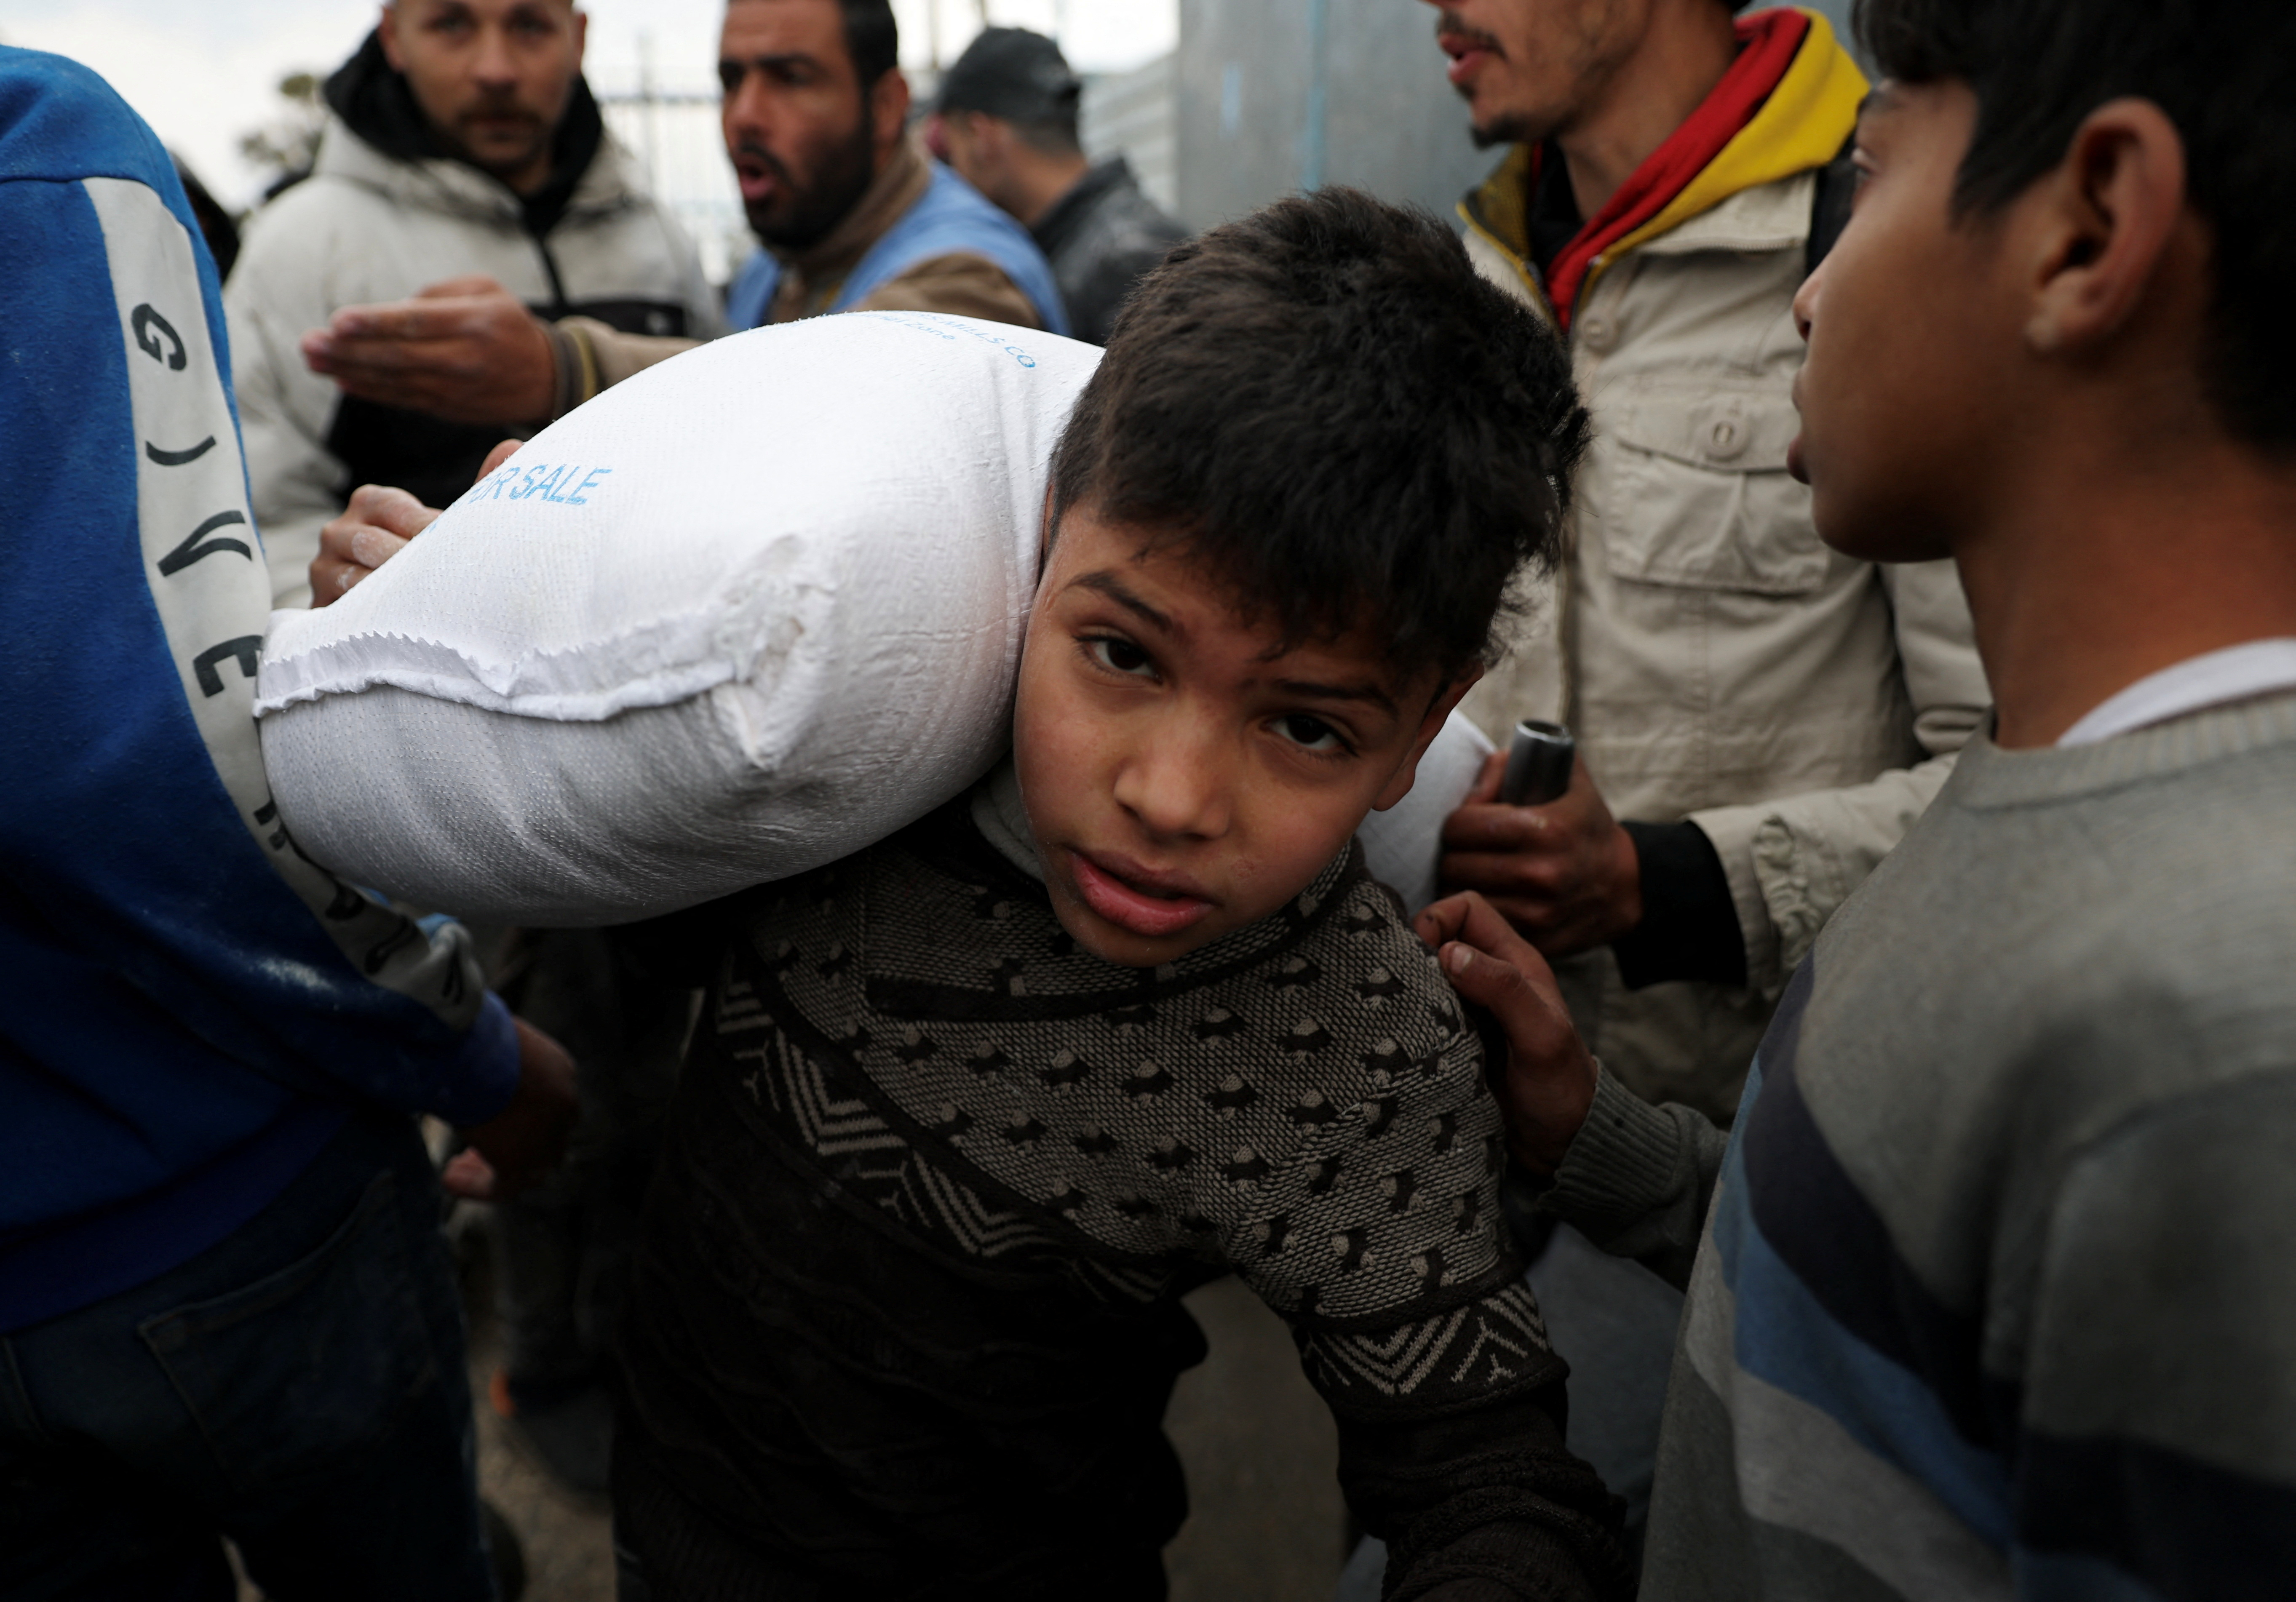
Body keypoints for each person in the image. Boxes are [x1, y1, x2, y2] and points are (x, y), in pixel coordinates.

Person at [607, 190, 1630, 1600]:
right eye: (1124, 655)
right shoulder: (832, 737)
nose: (1170, 796)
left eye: (1308, 727)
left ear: (1421, 729)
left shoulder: (1335, 1040)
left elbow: (1491, 1486)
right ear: (1040, 540)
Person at [1436, 0, 2296, 1593]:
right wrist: (1600, 1141)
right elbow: (1863, 1282)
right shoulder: (2011, 848)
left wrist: (1659, 880)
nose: (1811, 290)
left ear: (2087, 226)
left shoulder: (2219, 1065)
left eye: (1871, 175)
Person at [1360, 2, 1991, 1571]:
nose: (1437, 9)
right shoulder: (1477, 266)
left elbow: (2019, 781)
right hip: (1449, 1139)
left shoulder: (1871, 241)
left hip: (1728, 1180)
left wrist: (1662, 880)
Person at [0, 45, 575, 1600]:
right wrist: (470, 1048)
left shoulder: (630, 224)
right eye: (456, 16)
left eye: (540, 16)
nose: (503, 60)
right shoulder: (41, 157)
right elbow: (136, 754)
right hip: (221, 1195)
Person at [291, 0, 1069, 478]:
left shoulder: (972, 273)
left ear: (888, 104)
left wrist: (563, 367)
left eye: (790, 77)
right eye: (732, 79)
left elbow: (830, 397)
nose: (746, 116)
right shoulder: (783, 262)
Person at [226, 0, 724, 611]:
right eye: (453, 24)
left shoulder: (657, 239)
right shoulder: (303, 245)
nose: (495, 69)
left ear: (579, 38)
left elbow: (725, 464)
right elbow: (256, 522)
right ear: (394, 36)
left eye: (530, 26)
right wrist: (329, 611)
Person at [930, 27, 1186, 345]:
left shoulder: (1126, 262)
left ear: (981, 137)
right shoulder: (1109, 245)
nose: (955, 175)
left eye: (951, 152)